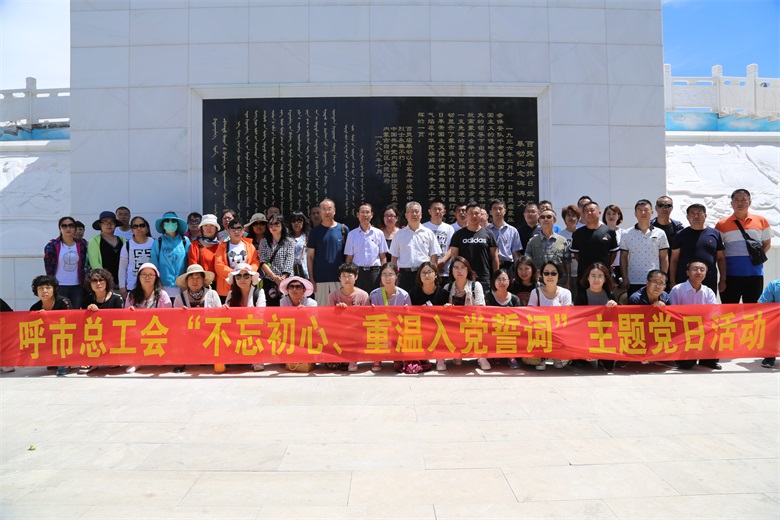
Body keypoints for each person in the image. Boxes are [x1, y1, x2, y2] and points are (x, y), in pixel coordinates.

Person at [715, 189, 772, 304]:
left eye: (744, 200)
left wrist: (755, 258)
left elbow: (767, 244)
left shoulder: (762, 221)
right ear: (731, 203)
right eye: (736, 200)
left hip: (755, 275)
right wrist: (723, 278)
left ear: (750, 202)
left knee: (752, 311)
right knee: (729, 311)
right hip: (730, 276)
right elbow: (718, 251)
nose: (740, 203)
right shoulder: (721, 224)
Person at [669, 260, 721, 370]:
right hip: (683, 331)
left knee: (719, 328)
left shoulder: (708, 291)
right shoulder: (677, 290)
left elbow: (715, 312)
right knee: (687, 365)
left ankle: (708, 360)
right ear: (688, 272)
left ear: (705, 274)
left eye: (702, 270)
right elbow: (672, 313)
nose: (699, 272)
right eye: (695, 269)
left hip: (703, 329)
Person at [443, 256, 490, 371]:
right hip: (454, 326)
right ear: (451, 271)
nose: (459, 271)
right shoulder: (447, 288)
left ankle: (481, 356)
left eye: (463, 267)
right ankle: (455, 353)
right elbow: (441, 312)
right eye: (456, 268)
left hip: (473, 323)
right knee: (457, 363)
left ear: (468, 270)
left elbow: (481, 309)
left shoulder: (476, 286)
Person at [172, 264, 220, 373]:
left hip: (209, 331)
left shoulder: (212, 294)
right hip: (188, 332)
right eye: (191, 278)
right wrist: (183, 315)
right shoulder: (179, 298)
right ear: (187, 281)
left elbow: (219, 315)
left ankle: (216, 360)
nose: (195, 281)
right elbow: (175, 321)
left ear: (203, 280)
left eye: (198, 277)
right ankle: (181, 361)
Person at [124, 263, 172, 373]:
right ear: (139, 277)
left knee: (159, 364)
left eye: (151, 275)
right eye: (144, 274)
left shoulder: (163, 295)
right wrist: (130, 312)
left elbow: (169, 316)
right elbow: (126, 317)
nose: (147, 277)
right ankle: (136, 361)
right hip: (138, 329)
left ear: (156, 278)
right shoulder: (132, 295)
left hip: (157, 330)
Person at [669, 203, 725, 294]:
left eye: (699, 213)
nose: (696, 216)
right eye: (692, 213)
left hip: (709, 280)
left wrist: (723, 279)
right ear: (687, 217)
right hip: (684, 280)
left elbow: (721, 258)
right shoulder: (680, 235)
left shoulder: (715, 234)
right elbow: (674, 259)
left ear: (705, 216)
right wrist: (672, 281)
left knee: (708, 303)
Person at [528, 261, 573, 371]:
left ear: (559, 275)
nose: (550, 276)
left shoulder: (566, 293)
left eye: (553, 273)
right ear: (542, 275)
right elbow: (531, 314)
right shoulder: (535, 292)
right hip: (540, 330)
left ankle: (557, 355)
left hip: (559, 329)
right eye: (546, 273)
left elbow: (566, 315)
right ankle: (541, 356)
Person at [444, 201, 498, 292]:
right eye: (471, 213)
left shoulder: (489, 234)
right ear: (466, 215)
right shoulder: (458, 235)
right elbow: (454, 259)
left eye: (476, 213)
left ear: (481, 215)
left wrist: (496, 276)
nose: (474, 216)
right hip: (464, 277)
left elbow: (494, 257)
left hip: (484, 277)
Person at [619, 199, 669, 296]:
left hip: (655, 281)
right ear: (635, 213)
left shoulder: (660, 233)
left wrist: (663, 279)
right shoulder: (626, 233)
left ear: (652, 212)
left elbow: (664, 257)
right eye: (640, 210)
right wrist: (625, 278)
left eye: (646, 210)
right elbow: (623, 257)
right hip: (633, 279)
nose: (643, 213)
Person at [369, 262, 413, 372]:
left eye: (390, 274)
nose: (387, 278)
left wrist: (406, 311)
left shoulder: (404, 295)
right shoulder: (374, 294)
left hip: (398, 327)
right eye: (384, 274)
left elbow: (410, 317)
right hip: (381, 327)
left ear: (396, 276)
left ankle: (397, 357)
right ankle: (377, 357)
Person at [574, 262, 618, 371]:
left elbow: (615, 322)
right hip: (586, 336)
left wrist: (615, 307)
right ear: (588, 278)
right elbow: (578, 324)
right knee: (583, 366)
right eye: (593, 276)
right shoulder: (581, 297)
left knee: (608, 367)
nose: (596, 279)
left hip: (605, 336)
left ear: (605, 279)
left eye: (600, 276)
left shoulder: (610, 295)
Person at [79, 268, 124, 374]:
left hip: (111, 335)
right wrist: (88, 313)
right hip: (93, 336)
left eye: (101, 280)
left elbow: (121, 322)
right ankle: (91, 360)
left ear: (107, 281)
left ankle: (110, 356)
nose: (98, 283)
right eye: (94, 280)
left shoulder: (117, 299)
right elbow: (81, 324)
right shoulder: (86, 300)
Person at [327, 262, 370, 372]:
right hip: (339, 330)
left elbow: (367, 318)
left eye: (350, 276)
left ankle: (352, 358)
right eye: (344, 276)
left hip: (357, 331)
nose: (347, 279)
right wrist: (337, 311)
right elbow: (329, 319)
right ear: (339, 278)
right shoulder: (333, 296)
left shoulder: (364, 295)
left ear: (356, 277)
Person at [389, 201, 441, 293]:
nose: (414, 214)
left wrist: (433, 275)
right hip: (405, 275)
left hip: (423, 274)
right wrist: (394, 276)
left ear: (421, 215)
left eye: (417, 211)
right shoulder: (399, 235)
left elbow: (434, 257)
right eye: (411, 211)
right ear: (406, 215)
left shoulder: (428, 233)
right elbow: (394, 259)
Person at [224, 263, 266, 372]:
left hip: (254, 329)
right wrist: (224, 310)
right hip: (236, 330)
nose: (242, 279)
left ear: (251, 278)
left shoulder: (259, 292)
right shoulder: (231, 294)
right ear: (235, 279)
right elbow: (227, 317)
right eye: (238, 276)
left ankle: (257, 359)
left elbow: (260, 314)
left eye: (246, 276)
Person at [308, 199, 349, 306]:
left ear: (334, 211)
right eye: (324, 209)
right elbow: (310, 257)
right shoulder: (314, 232)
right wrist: (311, 278)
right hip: (320, 279)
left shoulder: (343, 229)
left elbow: (349, 256)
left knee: (341, 308)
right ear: (320, 212)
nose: (327, 212)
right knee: (321, 309)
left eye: (329, 209)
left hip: (340, 278)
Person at [30, 275, 73, 376]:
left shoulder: (64, 302)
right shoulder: (34, 307)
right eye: (40, 288)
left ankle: (65, 363)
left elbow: (70, 323)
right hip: (48, 337)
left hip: (64, 335)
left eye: (48, 287)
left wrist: (48, 318)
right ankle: (52, 358)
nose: (44, 291)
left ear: (54, 289)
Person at [44, 216, 89, 310]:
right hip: (59, 285)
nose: (68, 228)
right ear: (60, 228)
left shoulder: (81, 245)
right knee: (60, 313)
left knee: (75, 312)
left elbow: (85, 265)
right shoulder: (52, 245)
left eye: (71, 226)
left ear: (75, 228)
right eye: (64, 226)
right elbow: (48, 267)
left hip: (77, 286)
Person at [570, 201, 619, 289]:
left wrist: (606, 264)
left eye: (592, 210)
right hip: (584, 275)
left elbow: (613, 252)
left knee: (604, 296)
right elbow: (576, 254)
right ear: (583, 214)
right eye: (586, 211)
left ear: (599, 212)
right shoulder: (578, 233)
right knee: (583, 296)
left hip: (604, 275)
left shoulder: (609, 231)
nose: (589, 213)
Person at [345, 203, 388, 293]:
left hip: (375, 273)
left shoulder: (379, 233)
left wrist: (383, 274)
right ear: (358, 215)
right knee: (358, 299)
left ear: (371, 215)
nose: (365, 215)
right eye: (362, 212)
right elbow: (349, 258)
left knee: (375, 298)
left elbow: (383, 257)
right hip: (358, 273)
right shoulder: (352, 234)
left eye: (367, 212)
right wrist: (349, 275)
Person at [215, 217, 259, 302]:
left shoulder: (250, 246)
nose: (236, 232)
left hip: (246, 285)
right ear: (228, 231)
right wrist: (235, 275)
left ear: (243, 230)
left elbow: (255, 262)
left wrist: (245, 273)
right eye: (233, 229)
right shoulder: (221, 247)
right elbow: (219, 265)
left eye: (239, 228)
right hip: (226, 287)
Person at [524, 208, 571, 288]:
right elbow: (527, 262)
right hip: (539, 283)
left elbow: (567, 263)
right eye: (542, 217)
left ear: (554, 220)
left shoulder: (563, 241)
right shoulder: (532, 242)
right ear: (539, 220)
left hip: (559, 283)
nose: (545, 219)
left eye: (549, 217)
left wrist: (568, 281)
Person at [485, 268, 522, 369]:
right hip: (492, 330)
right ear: (494, 281)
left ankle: (510, 355)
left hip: (509, 331)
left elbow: (519, 320)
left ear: (509, 281)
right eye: (498, 279)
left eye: (504, 279)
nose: (501, 282)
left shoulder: (514, 299)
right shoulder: (488, 296)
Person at [151, 211, 191, 298]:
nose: (170, 223)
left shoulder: (185, 241)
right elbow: (154, 264)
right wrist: (157, 282)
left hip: (182, 285)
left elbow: (189, 262)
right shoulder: (158, 241)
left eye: (173, 221)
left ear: (177, 224)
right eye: (167, 221)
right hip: (163, 286)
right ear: (163, 225)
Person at [258, 214, 295, 306]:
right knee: (271, 308)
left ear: (282, 225)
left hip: (286, 280)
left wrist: (282, 278)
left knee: (287, 307)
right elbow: (263, 261)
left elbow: (289, 261)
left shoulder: (289, 241)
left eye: (276, 224)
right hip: (270, 280)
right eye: (270, 224)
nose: (273, 227)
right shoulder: (264, 242)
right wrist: (275, 278)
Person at [118, 216, 154, 300]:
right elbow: (122, 268)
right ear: (132, 229)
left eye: (142, 225)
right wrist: (122, 286)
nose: (139, 228)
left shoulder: (154, 242)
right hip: (132, 285)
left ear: (147, 227)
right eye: (135, 226)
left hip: (151, 285)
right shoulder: (127, 245)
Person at [87, 211, 126, 285]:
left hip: (122, 282)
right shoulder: (95, 240)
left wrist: (122, 281)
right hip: (103, 282)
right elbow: (95, 263)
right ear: (100, 224)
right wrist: (107, 281)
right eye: (105, 222)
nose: (109, 224)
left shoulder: (122, 240)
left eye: (112, 222)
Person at [423, 200, 455, 287]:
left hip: (445, 271)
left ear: (444, 212)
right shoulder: (423, 227)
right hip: (427, 269)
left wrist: (442, 262)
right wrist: (433, 265)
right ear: (429, 211)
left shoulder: (449, 228)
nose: (437, 211)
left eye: (440, 209)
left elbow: (452, 248)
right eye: (435, 209)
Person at [487, 199, 522, 275]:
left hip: (508, 266)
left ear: (505, 211)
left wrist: (516, 272)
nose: (498, 211)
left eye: (500, 208)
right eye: (495, 208)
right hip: (490, 265)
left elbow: (515, 254)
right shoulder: (486, 231)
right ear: (490, 212)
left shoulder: (513, 231)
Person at [187, 213, 221, 289]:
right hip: (202, 284)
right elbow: (193, 266)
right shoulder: (195, 245)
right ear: (202, 228)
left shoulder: (221, 245)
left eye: (211, 225)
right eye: (206, 225)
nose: (209, 228)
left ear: (216, 228)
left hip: (220, 284)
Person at [651, 196, 684, 268]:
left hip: (673, 267)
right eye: (661, 205)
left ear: (672, 208)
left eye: (668, 206)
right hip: (652, 267)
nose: (664, 208)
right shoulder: (649, 226)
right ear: (656, 208)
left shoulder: (678, 228)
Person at [558, 205, 581, 298]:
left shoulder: (582, 234)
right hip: (565, 275)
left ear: (578, 218)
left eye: (574, 215)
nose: (571, 218)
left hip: (580, 273)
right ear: (564, 218)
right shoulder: (559, 236)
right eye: (568, 215)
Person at [757, 278, 780, 368]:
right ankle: (769, 356)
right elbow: (761, 305)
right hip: (777, 319)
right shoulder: (774, 285)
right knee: (769, 322)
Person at [603, 204, 626, 284]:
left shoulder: (624, 233)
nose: (611, 216)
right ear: (604, 216)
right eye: (608, 214)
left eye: (614, 214)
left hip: (620, 267)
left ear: (618, 216)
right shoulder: (600, 232)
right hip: (604, 266)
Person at [288, 211, 311, 279]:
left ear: (303, 222)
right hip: (290, 272)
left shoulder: (308, 236)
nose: (296, 223)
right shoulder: (287, 237)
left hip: (305, 271)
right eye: (293, 221)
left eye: (299, 220)